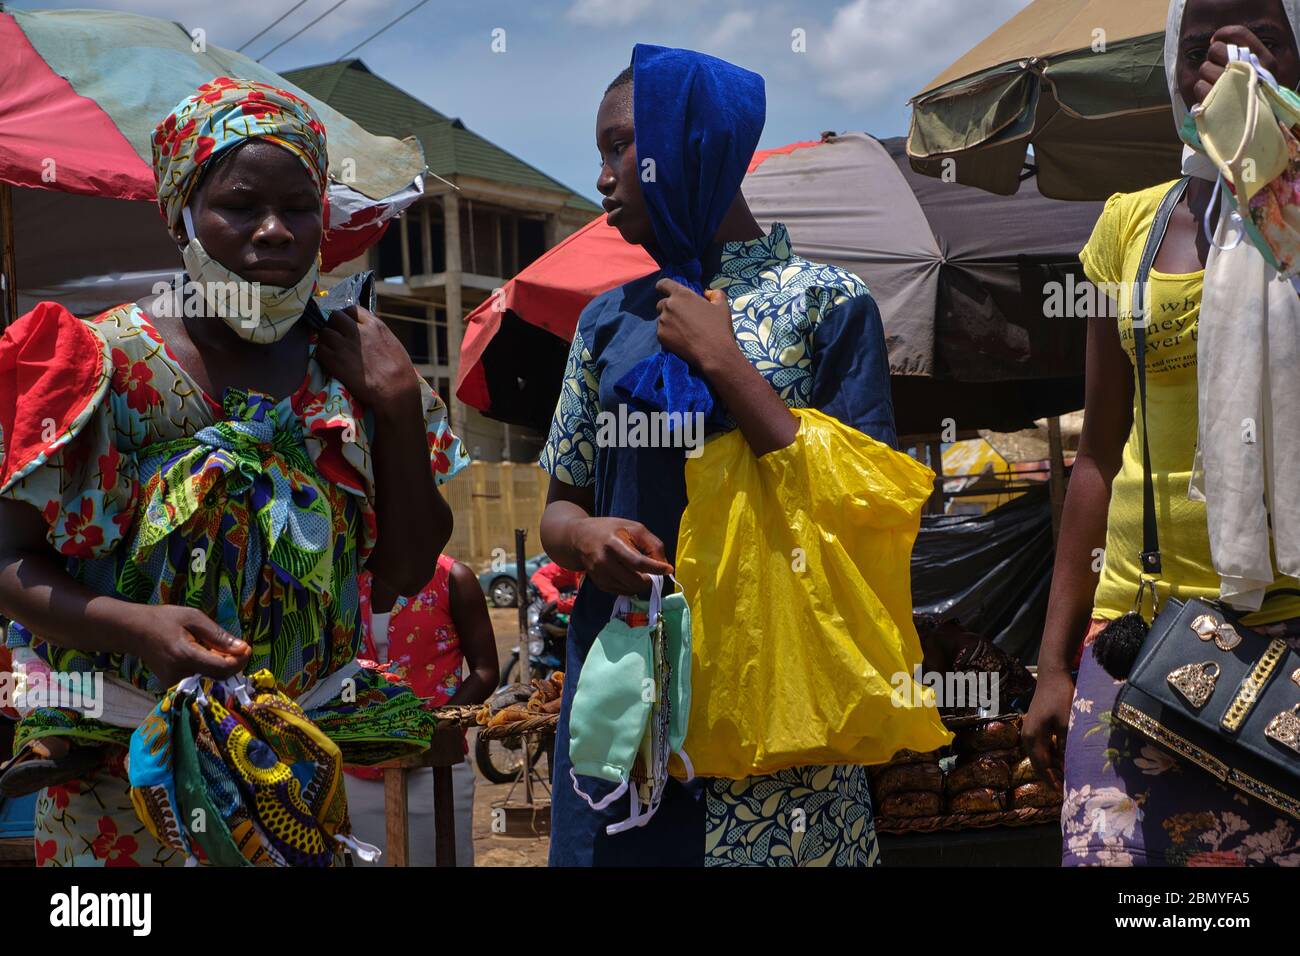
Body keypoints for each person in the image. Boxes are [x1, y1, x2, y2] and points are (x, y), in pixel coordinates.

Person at [0, 77, 468, 866]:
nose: (276, 231)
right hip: (118, 784)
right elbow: (7, 560)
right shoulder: (106, 365)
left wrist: (391, 404)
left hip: (294, 780)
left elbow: (405, 571)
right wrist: (131, 626)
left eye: (299, 207)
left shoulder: (359, 365)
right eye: (241, 205)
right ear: (180, 211)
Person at [538, 46, 902, 866]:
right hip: (629, 711)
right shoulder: (605, 323)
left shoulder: (828, 304)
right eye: (598, 152)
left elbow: (868, 506)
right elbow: (557, 509)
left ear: (691, 141)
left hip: (775, 710)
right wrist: (585, 537)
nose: (603, 177)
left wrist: (729, 366)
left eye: (621, 146)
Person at [1023, 0, 1300, 867]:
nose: (1223, 56)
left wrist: (1277, 165)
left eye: (1261, 35)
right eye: (1198, 43)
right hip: (1138, 634)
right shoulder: (1131, 226)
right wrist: (1055, 664)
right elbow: (1098, 454)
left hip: (1287, 637)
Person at [343, 559, 499, 866]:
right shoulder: (351, 577)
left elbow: (485, 671)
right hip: (358, 769)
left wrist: (428, 727)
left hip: (435, 769)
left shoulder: (453, 578)